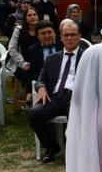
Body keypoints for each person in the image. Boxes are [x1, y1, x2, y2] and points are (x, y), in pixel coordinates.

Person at [30, 20, 85, 163]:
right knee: (35, 113)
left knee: (75, 112)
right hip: (54, 96)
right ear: (61, 37)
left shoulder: (87, 57)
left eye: (73, 35)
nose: (69, 38)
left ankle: (73, 149)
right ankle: (52, 147)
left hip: (76, 97)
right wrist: (41, 88)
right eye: (66, 35)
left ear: (79, 36)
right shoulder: (52, 58)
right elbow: (40, 79)